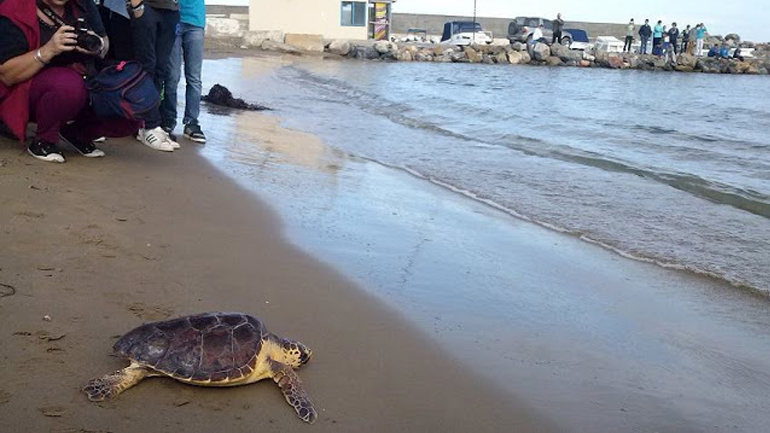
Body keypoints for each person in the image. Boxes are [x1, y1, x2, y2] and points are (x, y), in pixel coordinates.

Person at [0, 0, 140, 163]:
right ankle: (44, 140)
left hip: (81, 80)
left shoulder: (82, 5)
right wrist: (48, 51)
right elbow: (7, 76)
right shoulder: (16, 8)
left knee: (133, 102)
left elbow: (104, 43)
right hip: (27, 90)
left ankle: (77, 134)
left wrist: (96, 46)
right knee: (67, 85)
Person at [127, 0, 179, 151]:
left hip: (171, 10)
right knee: (146, 66)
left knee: (161, 69)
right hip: (147, 7)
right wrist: (137, 6)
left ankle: (153, 124)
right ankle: (145, 126)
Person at [160, 0, 206, 143]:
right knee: (172, 75)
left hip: (195, 21)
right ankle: (168, 120)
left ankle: (192, 122)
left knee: (193, 77)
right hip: (173, 18)